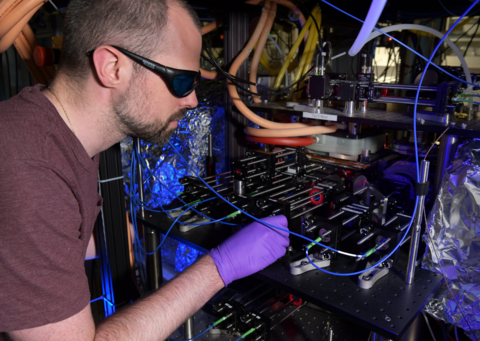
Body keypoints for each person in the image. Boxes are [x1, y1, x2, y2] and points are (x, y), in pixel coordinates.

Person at [0, 0, 290, 340]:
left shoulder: (51, 136)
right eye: (182, 81)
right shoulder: (31, 169)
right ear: (112, 67)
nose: (193, 100)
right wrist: (219, 268)